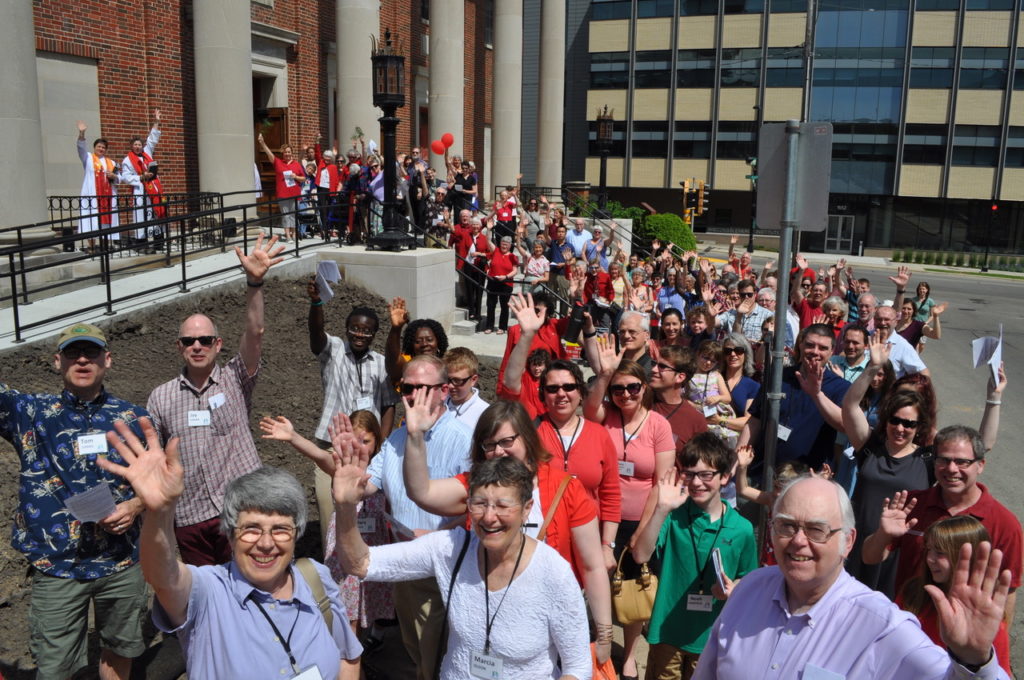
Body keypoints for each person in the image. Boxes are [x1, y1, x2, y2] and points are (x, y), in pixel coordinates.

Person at [98, 427, 362, 679]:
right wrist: (159, 512)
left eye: (280, 529)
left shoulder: (316, 579)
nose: (266, 543)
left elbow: (347, 656)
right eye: (251, 529)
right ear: (230, 534)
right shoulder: (208, 590)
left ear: (296, 534)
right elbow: (163, 575)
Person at [693, 476, 1013, 679]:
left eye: (817, 529)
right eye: (786, 525)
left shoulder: (882, 626)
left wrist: (972, 660)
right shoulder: (749, 590)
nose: (798, 541)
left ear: (847, 540)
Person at [334, 446, 591, 679]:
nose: (489, 517)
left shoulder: (553, 573)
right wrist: (346, 507)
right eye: (479, 504)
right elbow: (361, 564)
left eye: (503, 505)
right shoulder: (451, 548)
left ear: (526, 509)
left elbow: (578, 667)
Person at [396, 398, 613, 667]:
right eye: (490, 445)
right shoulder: (477, 483)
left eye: (507, 441)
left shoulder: (566, 489)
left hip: (544, 622)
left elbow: (593, 566)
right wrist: (416, 436)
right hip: (483, 617)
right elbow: (422, 492)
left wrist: (604, 635)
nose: (498, 452)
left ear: (527, 438)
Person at [1, 323, 148, 680]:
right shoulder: (30, 413)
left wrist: (134, 506)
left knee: (120, 648)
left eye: (92, 352)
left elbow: (160, 479)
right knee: (55, 665)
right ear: (57, 361)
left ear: (107, 360)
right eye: (72, 353)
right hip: (57, 565)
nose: (82, 359)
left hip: (120, 560)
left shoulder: (132, 417)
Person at [147, 233, 285, 567]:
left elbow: (255, 332)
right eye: (189, 340)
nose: (197, 346)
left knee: (252, 586)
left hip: (241, 509)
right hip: (190, 516)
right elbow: (153, 460)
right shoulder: (161, 397)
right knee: (207, 597)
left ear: (218, 344)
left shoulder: (235, 379)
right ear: (179, 346)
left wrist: (254, 283)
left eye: (205, 339)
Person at [355, 356, 473, 680]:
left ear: (444, 390)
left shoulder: (464, 440)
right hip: (403, 560)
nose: (413, 395)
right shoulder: (395, 439)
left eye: (423, 387)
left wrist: (437, 535)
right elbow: (368, 483)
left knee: (435, 651)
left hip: (442, 566)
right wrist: (346, 473)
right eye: (407, 387)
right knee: (414, 644)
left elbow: (476, 509)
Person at [259, 409, 393, 680]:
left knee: (376, 601)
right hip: (345, 549)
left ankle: (376, 634)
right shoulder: (340, 468)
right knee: (349, 611)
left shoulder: (385, 470)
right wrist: (293, 436)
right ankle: (353, 663)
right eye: (352, 440)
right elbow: (318, 454)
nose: (358, 446)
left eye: (365, 441)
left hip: (375, 550)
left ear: (377, 442)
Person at [861, 425, 1022, 624]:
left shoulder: (1005, 524)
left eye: (962, 462)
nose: (951, 469)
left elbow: (1007, 591)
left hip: (964, 637)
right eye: (944, 459)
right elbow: (869, 557)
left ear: (980, 465)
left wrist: (996, 648)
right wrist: (883, 534)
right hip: (909, 626)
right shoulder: (911, 504)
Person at [584, 346, 675, 680]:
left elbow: (660, 482)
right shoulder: (605, 415)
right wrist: (605, 374)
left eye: (632, 387)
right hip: (599, 517)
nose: (625, 394)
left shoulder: (658, 426)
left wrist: (642, 530)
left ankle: (628, 655)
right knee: (598, 583)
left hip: (640, 519)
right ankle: (601, 642)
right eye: (618, 389)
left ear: (644, 388)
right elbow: (589, 406)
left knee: (635, 586)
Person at [634, 433, 758, 680]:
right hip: (667, 631)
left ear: (724, 477)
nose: (697, 482)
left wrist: (734, 588)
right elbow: (640, 555)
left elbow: (749, 578)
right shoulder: (673, 515)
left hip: (711, 637)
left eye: (706, 475)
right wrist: (660, 508)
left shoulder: (741, 528)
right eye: (689, 474)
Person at [840, 336, 935, 597]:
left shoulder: (929, 460)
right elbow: (849, 406)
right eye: (895, 420)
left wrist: (993, 400)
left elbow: (979, 449)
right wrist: (872, 367)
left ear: (919, 427)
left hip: (901, 557)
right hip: (859, 547)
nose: (901, 428)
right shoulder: (870, 447)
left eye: (909, 424)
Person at [897, 517, 1012, 676]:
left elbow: (998, 674)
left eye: (940, 552)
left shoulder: (985, 622)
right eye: (928, 549)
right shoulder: (913, 591)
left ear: (967, 557)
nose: (930, 558)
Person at [536, 358, 622, 568]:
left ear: (581, 392)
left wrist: (607, 547)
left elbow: (610, 495)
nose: (561, 394)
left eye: (569, 387)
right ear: (543, 395)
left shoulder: (599, 435)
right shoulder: (531, 432)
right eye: (552, 388)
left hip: (589, 544)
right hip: (544, 544)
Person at [739, 324, 851, 471]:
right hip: (763, 471)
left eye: (823, 348)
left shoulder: (840, 386)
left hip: (808, 477)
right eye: (810, 345)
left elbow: (845, 425)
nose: (815, 352)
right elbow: (754, 422)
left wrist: (817, 395)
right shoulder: (778, 377)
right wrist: (737, 463)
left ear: (831, 352)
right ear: (801, 344)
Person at [649, 345, 709, 454]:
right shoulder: (639, 401)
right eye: (654, 364)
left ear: (680, 377)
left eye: (661, 366)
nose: (653, 369)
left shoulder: (696, 421)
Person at [121, 109, 164, 252]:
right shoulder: (127, 160)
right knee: (142, 218)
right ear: (131, 146)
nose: (138, 146)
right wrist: (140, 177)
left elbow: (152, 139)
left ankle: (159, 243)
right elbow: (126, 177)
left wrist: (156, 121)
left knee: (156, 216)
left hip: (153, 189)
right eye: (135, 145)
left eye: (139, 144)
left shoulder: (147, 154)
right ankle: (142, 245)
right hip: (141, 191)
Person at [76, 120, 121, 254]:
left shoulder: (111, 162)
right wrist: (82, 133)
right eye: (99, 146)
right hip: (93, 194)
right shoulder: (88, 158)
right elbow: (80, 148)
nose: (101, 149)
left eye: (103, 147)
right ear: (95, 147)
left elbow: (119, 178)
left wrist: (114, 176)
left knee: (106, 220)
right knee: (91, 219)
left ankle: (104, 246)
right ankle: (91, 246)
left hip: (107, 196)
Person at [385, 296, 449, 386]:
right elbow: (393, 361)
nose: (424, 344)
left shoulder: (448, 364)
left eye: (429, 340)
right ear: (411, 345)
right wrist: (396, 328)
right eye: (418, 341)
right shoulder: (407, 364)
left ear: (438, 342)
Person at [257, 133, 304, 242]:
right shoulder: (278, 163)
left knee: (293, 214)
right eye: (285, 152)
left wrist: (295, 176)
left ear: (292, 153)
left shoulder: (296, 164)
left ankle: (294, 234)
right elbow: (269, 154)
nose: (287, 153)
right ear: (283, 153)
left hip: (295, 193)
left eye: (289, 152)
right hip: (283, 194)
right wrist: (263, 143)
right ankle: (288, 236)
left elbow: (303, 178)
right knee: (286, 215)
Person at [716, 333, 760, 436]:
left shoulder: (753, 386)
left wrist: (719, 421)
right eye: (728, 351)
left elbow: (748, 422)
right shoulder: (713, 378)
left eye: (738, 350)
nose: (733, 354)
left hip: (735, 442)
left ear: (746, 354)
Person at [873, 305, 928, 378]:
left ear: (896, 322)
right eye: (879, 319)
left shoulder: (903, 346)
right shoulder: (865, 337)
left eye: (887, 319)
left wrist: (906, 388)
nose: (882, 323)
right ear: (874, 320)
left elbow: (924, 373)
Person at [442, 347, 490, 431]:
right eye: (446, 379)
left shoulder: (485, 414)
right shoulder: (439, 402)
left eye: (457, 380)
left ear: (473, 380)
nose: (450, 386)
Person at [483, 236, 519, 334]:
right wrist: (489, 230)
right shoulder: (496, 251)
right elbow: (488, 241)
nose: (504, 245)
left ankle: (502, 327)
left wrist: (506, 276)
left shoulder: (512, 256)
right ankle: (489, 326)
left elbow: (515, 270)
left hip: (506, 283)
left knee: (504, 306)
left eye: (506, 244)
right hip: (493, 281)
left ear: (510, 245)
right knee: (490, 305)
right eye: (503, 243)